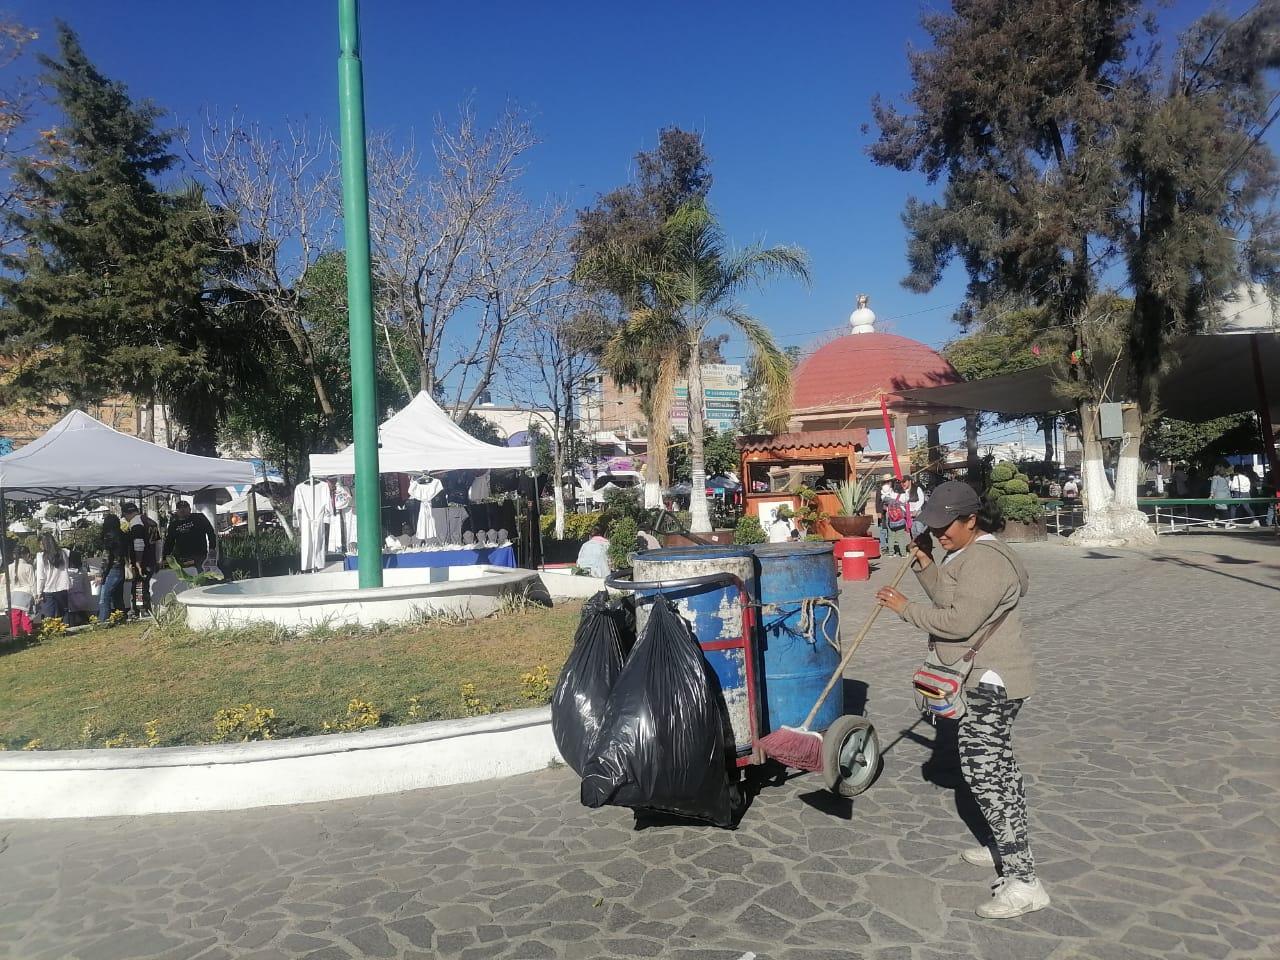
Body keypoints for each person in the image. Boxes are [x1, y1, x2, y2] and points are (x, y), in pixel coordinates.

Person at [874, 481, 1047, 920]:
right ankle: (1001, 848)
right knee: (997, 772)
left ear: (972, 519)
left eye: (945, 525)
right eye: (932, 525)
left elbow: (957, 621)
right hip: (981, 679)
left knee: (989, 777)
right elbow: (951, 596)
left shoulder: (987, 562)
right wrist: (926, 564)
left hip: (991, 682)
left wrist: (904, 608)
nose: (938, 533)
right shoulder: (968, 554)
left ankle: (1025, 881)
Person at [122, 503, 160, 617]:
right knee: (144, 585)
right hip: (151, 560)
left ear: (127, 513)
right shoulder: (150, 522)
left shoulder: (136, 523)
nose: (126, 519)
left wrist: (138, 562)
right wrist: (158, 559)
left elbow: (138, 543)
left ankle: (140, 610)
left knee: (139, 586)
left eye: (125, 516)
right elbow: (158, 542)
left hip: (142, 561)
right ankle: (146, 609)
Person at [164, 500, 217, 569]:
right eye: (179, 508)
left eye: (185, 507)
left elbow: (210, 532)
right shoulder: (174, 524)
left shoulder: (199, 517)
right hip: (183, 557)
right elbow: (169, 541)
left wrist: (212, 548)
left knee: (202, 576)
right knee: (187, 577)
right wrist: (165, 556)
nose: (182, 509)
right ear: (177, 511)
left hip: (200, 555)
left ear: (189, 509)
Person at [96, 513, 129, 623]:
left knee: (104, 598)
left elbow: (106, 557)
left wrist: (101, 574)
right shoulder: (122, 535)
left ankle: (104, 621)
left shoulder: (109, 536)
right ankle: (121, 619)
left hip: (112, 569)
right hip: (121, 568)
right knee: (118, 598)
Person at [34, 533, 71, 621]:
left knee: (49, 614)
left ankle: (51, 631)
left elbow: (41, 576)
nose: (40, 546)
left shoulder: (41, 556)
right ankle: (65, 630)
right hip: (63, 586)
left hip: (48, 588)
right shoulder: (64, 553)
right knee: (64, 612)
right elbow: (66, 568)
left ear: (44, 544)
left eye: (40, 544)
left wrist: (39, 592)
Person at [6, 544, 36, 637]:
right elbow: (33, 583)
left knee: (14, 618)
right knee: (26, 616)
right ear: (26, 555)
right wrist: (36, 596)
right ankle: (29, 633)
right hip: (26, 594)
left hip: (14, 594)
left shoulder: (9, 567)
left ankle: (15, 635)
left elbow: (9, 583)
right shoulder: (28, 567)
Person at [66, 550, 95, 627]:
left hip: (70, 597)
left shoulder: (66, 572)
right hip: (81, 596)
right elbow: (86, 585)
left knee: (71, 617)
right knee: (82, 615)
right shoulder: (83, 571)